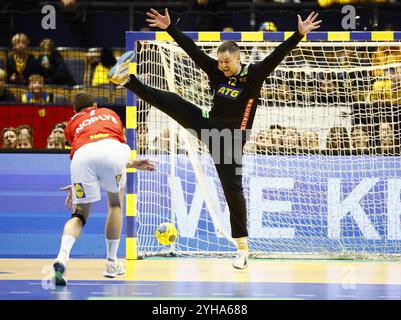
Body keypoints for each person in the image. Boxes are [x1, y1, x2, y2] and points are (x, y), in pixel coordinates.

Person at [107, 8, 321, 269]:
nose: (222, 66)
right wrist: (169, 28)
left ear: (238, 58)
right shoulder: (216, 71)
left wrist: (298, 35)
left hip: (229, 143)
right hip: (208, 125)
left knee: (233, 192)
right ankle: (126, 79)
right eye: (220, 62)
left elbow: (277, 55)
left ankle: (242, 247)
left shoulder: (253, 75)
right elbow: (192, 50)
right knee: (174, 102)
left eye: (227, 62)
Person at [52, 92, 156, 286]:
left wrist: (77, 185)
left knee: (79, 215)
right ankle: (111, 263)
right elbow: (107, 149)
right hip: (113, 151)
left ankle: (62, 257)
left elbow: (88, 149)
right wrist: (132, 162)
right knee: (115, 205)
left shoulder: (71, 123)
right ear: (95, 104)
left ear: (75, 110)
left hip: (82, 158)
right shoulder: (109, 112)